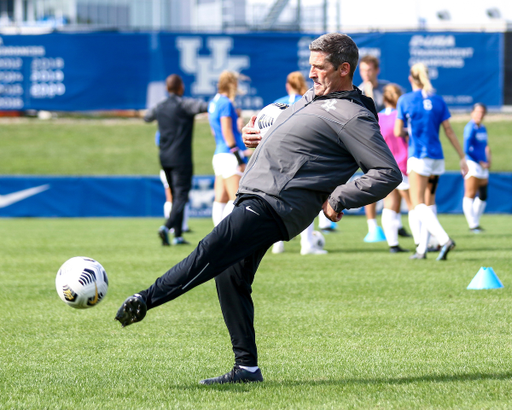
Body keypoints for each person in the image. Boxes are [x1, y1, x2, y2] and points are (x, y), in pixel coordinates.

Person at [115, 33, 402, 385]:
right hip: (260, 194)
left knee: (213, 250)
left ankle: (145, 299)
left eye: (319, 67)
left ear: (344, 69)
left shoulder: (353, 115)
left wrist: (339, 197)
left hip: (277, 204)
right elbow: (296, 130)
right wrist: (261, 133)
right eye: (309, 65)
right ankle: (247, 368)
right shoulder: (314, 96)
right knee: (230, 274)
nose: (311, 73)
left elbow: (387, 172)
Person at [395, 63, 468, 260]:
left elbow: (396, 131)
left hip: (418, 157)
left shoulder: (405, 100)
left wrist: (409, 131)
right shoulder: (438, 100)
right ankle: (422, 250)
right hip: (437, 158)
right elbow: (449, 131)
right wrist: (462, 157)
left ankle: (443, 240)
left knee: (417, 203)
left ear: (411, 78)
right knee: (429, 202)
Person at [143, 74, 208, 246]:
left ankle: (178, 236)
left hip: (164, 157)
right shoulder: (185, 104)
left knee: (174, 194)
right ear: (181, 87)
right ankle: (167, 227)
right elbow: (204, 106)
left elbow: (147, 117)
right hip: (181, 158)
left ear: (167, 88)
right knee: (181, 196)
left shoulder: (161, 106)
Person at [270, 71, 327, 255]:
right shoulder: (309, 100)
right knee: (307, 199)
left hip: (280, 157)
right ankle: (307, 244)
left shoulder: (277, 103)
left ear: (288, 85)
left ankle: (277, 244)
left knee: (279, 200)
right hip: (304, 157)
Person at [358, 55, 404, 242]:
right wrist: (367, 94)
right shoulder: (357, 90)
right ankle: (372, 226)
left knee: (396, 182)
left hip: (389, 142)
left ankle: (397, 223)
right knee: (371, 182)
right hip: (368, 144)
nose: (366, 74)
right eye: (362, 70)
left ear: (376, 70)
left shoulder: (387, 88)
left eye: (369, 70)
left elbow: (392, 113)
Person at [208, 71, 248, 226]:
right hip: (229, 155)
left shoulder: (214, 102)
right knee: (235, 198)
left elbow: (214, 131)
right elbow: (226, 130)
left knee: (221, 198)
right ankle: (224, 235)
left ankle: (217, 236)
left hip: (219, 154)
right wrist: (238, 154)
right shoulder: (225, 103)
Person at [378, 84, 413, 253]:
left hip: (385, 165)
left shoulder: (377, 117)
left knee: (389, 205)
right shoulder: (403, 117)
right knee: (414, 203)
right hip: (404, 163)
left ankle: (393, 244)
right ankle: (424, 243)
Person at [462, 103, 491, 232]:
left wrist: (488, 159)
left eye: (482, 112)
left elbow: (485, 146)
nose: (480, 114)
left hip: (483, 164)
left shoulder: (483, 128)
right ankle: (472, 224)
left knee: (483, 194)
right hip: (473, 163)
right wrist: (480, 161)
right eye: (478, 112)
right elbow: (466, 149)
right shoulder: (470, 128)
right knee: (470, 193)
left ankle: (476, 222)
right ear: (472, 113)